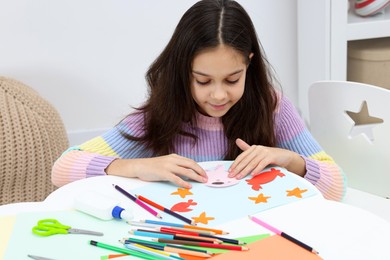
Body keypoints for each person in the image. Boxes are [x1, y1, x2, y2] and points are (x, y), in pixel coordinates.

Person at [52, 0, 346, 201]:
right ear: (183, 72)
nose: (218, 95)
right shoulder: (160, 115)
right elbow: (63, 168)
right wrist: (136, 166)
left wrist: (290, 160)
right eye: (203, 81)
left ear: (249, 66)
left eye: (232, 79)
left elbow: (336, 187)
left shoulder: (273, 107)